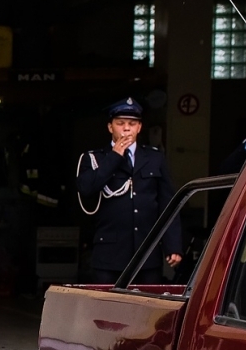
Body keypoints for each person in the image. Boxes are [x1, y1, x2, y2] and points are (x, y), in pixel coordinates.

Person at [75, 98, 182, 285]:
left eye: (132, 124)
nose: (126, 129)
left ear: (139, 128)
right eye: (120, 123)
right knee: (108, 310)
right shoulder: (94, 158)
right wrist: (115, 156)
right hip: (109, 254)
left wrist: (173, 245)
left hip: (147, 253)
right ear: (110, 127)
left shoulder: (154, 158)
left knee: (147, 309)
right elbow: (86, 188)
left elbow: (168, 203)